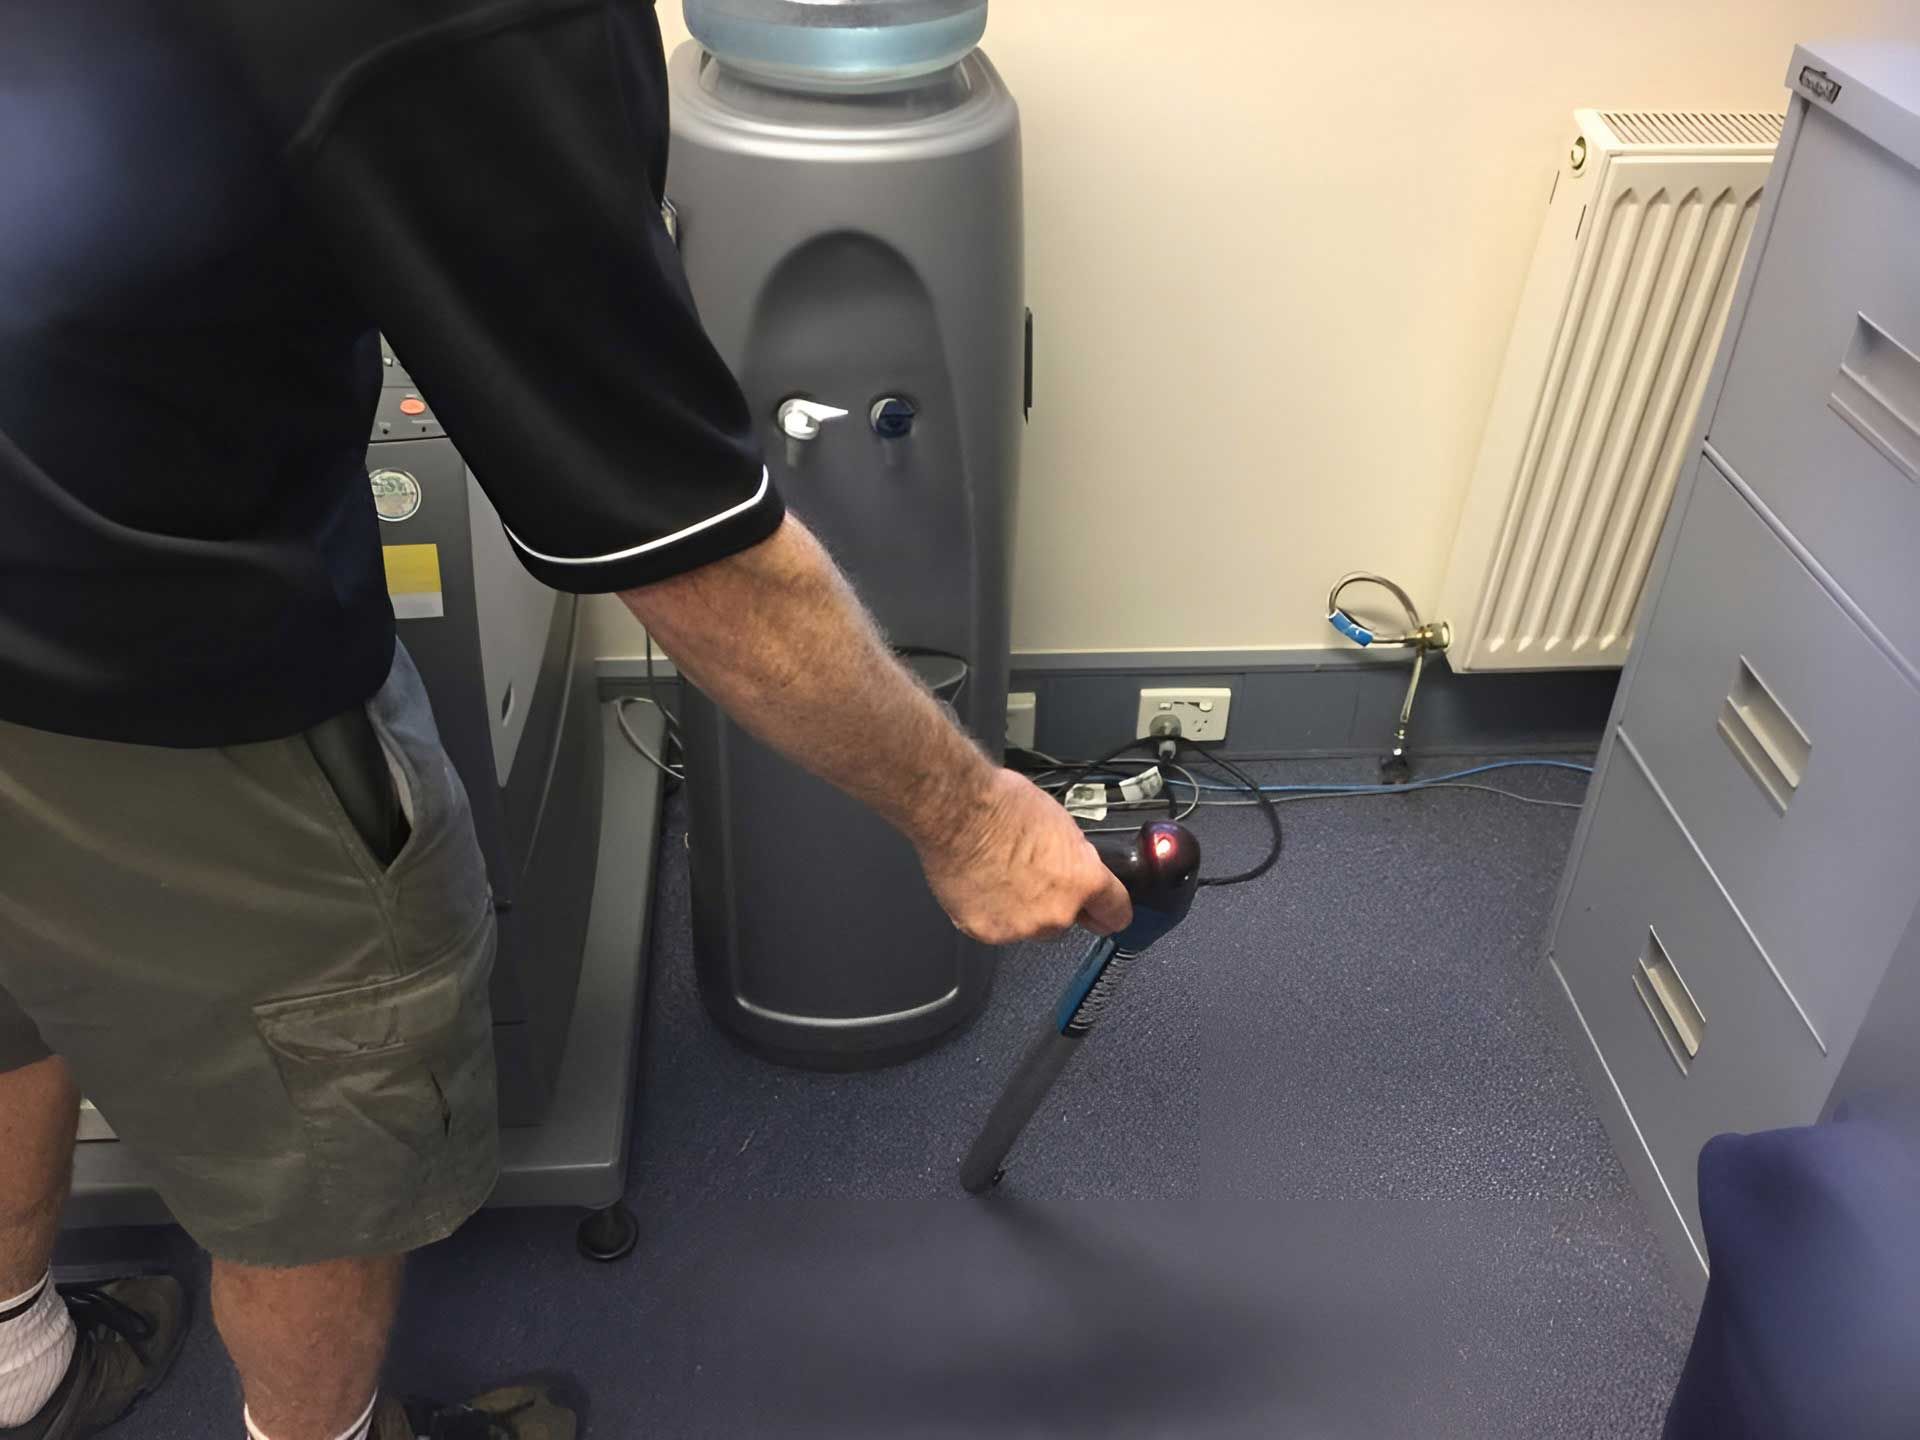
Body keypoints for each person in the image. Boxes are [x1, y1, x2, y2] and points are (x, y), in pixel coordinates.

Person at [0, 3, 1133, 1437]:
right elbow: (678, 532)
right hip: (142, 642)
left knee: (20, 956)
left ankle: (17, 1362)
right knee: (324, 1124)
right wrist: (969, 818)